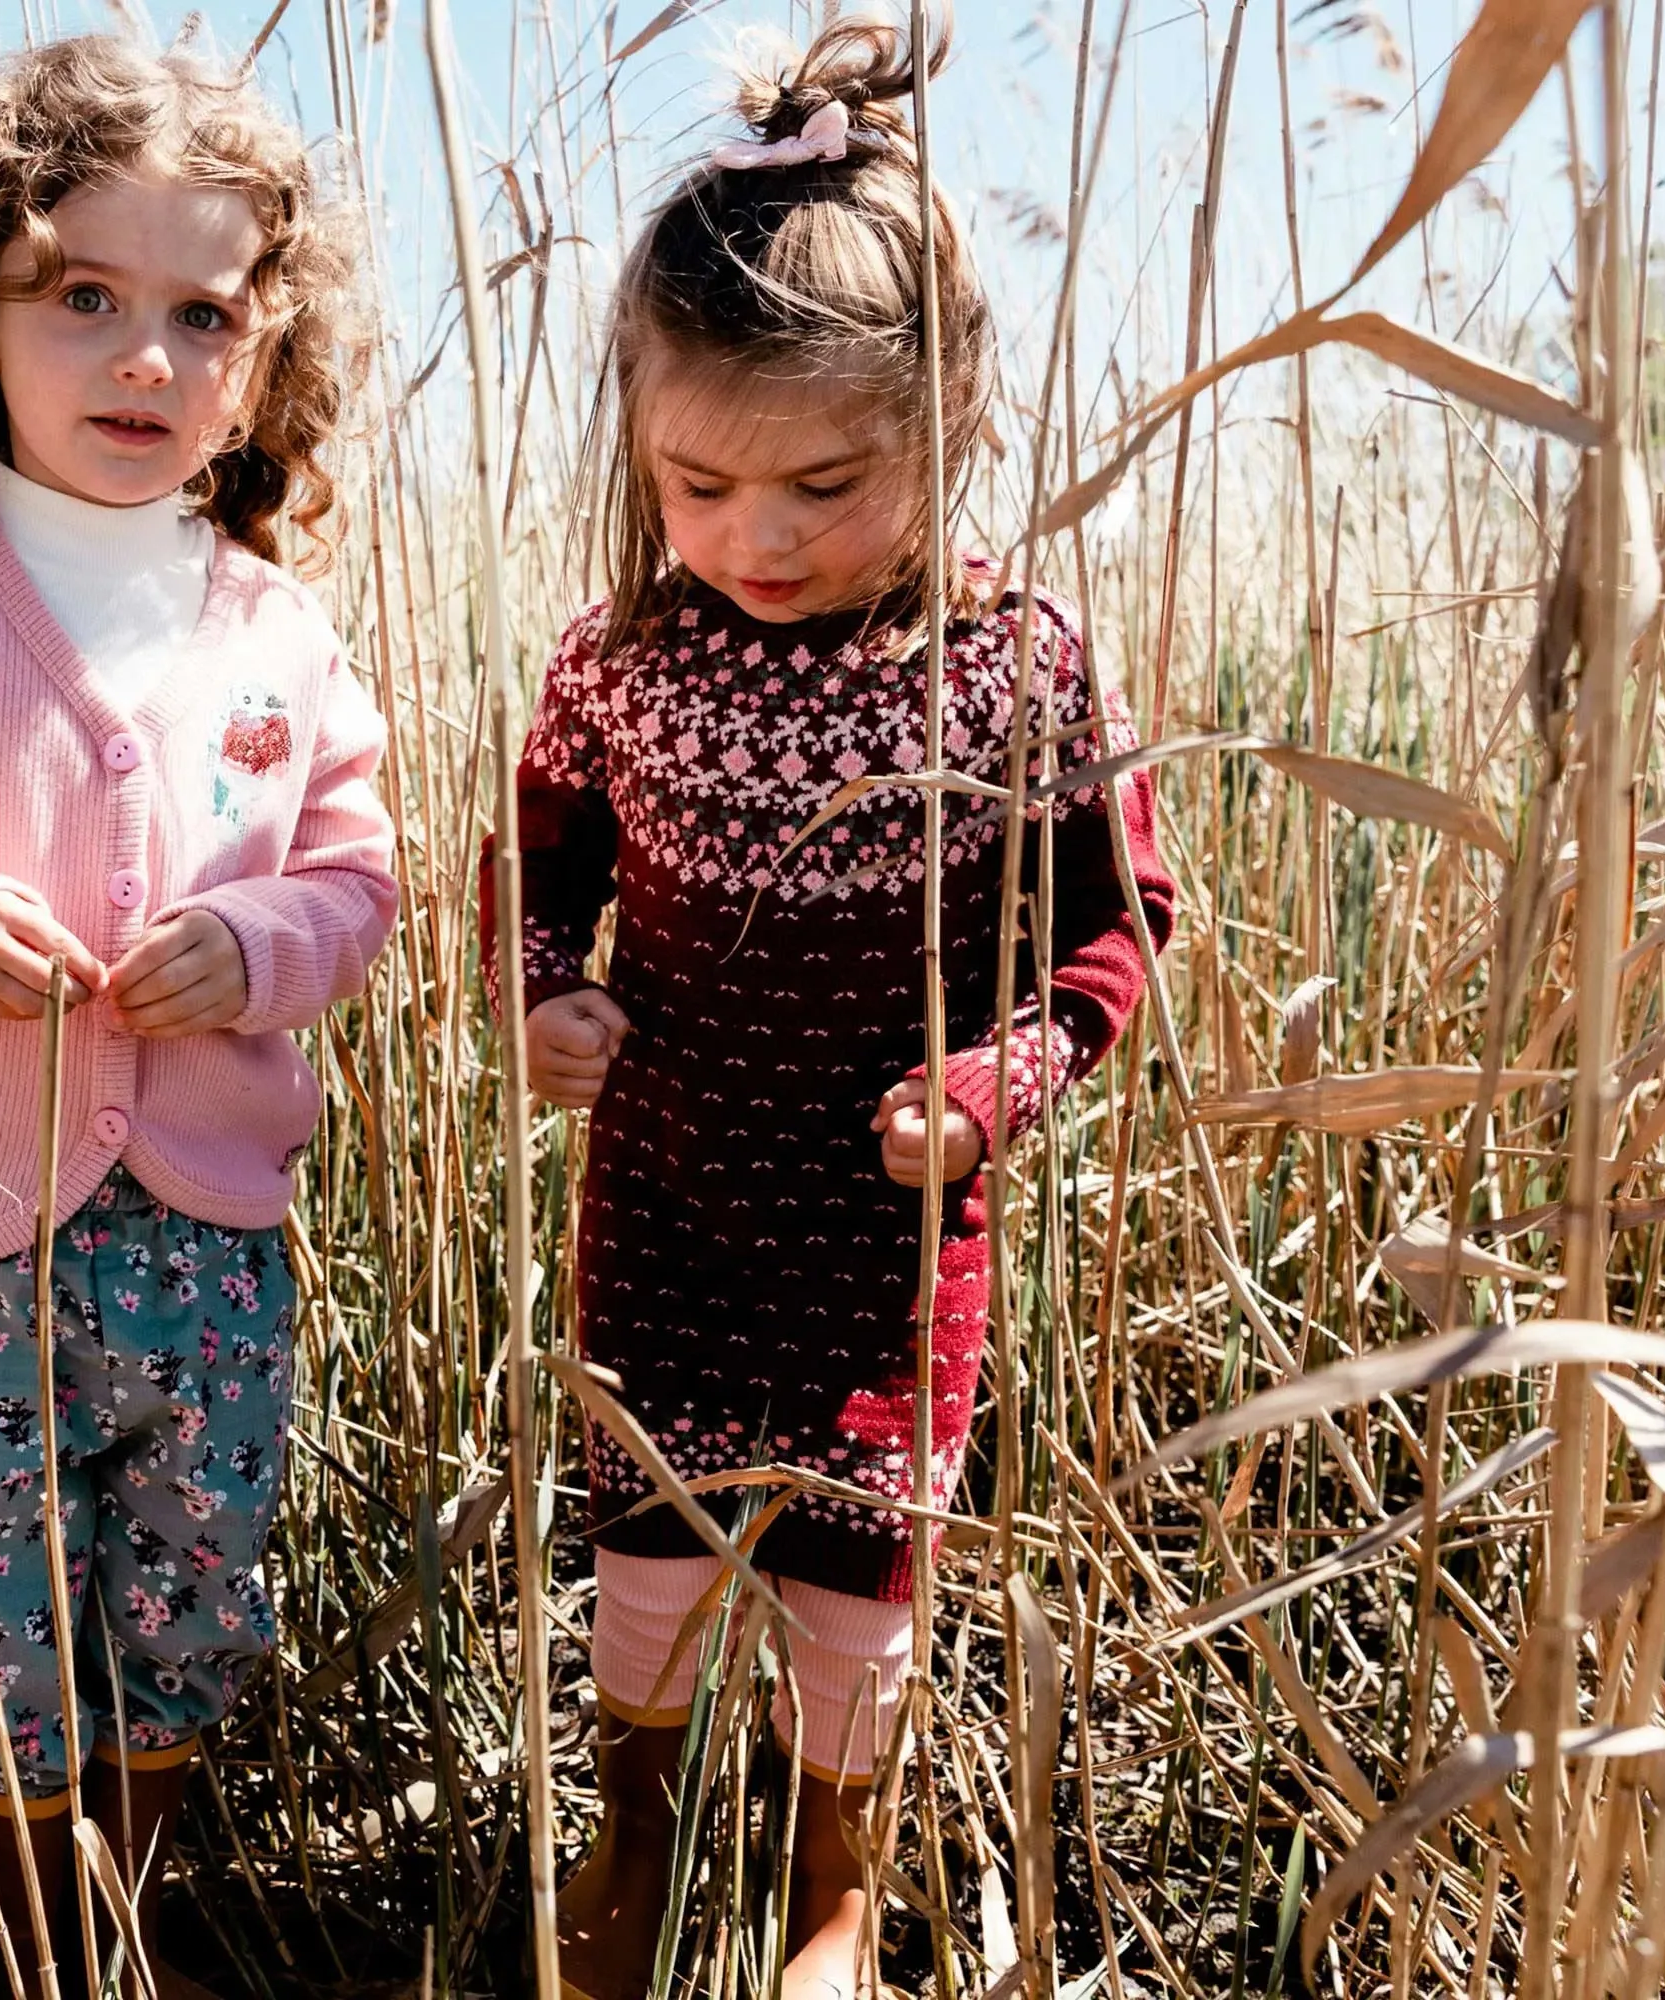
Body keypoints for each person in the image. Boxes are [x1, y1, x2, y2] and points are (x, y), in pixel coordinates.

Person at [477, 16, 1176, 1998]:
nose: (756, 537)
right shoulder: (612, 663)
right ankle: (626, 1845)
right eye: (695, 483)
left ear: (945, 424)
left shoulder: (1018, 666)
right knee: (650, 1571)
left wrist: (1004, 1071)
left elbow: (1117, 932)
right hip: (674, 1205)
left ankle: (831, 1894)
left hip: (890, 1242)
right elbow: (535, 874)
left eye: (824, 481)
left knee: (858, 1597)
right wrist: (544, 998)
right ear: (635, 439)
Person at [0, 35, 397, 1998]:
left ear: (262, 358)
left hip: (209, 1224)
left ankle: (120, 1906)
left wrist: (258, 947)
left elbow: (358, 879)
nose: (146, 356)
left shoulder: (277, 627)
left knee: (191, 1575)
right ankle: (22, 1923)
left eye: (202, 313)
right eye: (86, 296)